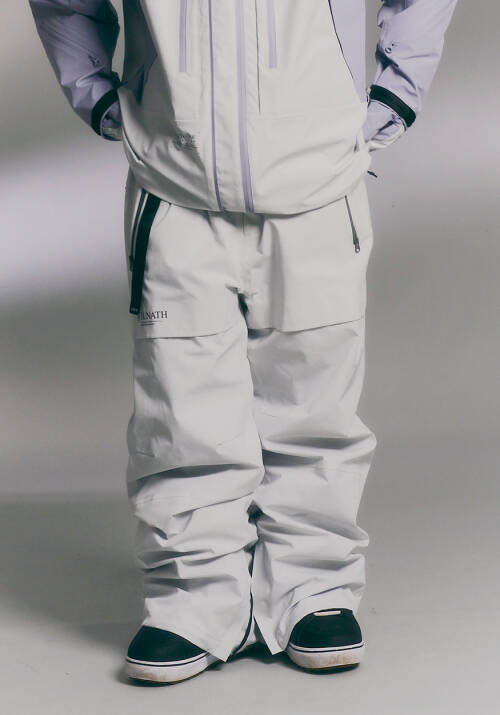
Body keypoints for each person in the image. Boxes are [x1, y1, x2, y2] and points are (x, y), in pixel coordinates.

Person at [29, 0, 457, 684]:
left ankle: (313, 585)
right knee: (181, 410)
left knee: (316, 401)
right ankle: (195, 597)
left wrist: (397, 90)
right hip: (175, 178)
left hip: (317, 177)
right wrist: (97, 92)